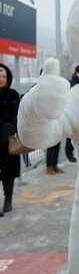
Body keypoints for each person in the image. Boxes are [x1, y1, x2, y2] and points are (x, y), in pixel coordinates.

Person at [0, 63, 21, 215]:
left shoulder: (12, 94)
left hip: (6, 140)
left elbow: (15, 117)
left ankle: (8, 199)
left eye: (3, 76)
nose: (1, 79)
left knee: (8, 172)